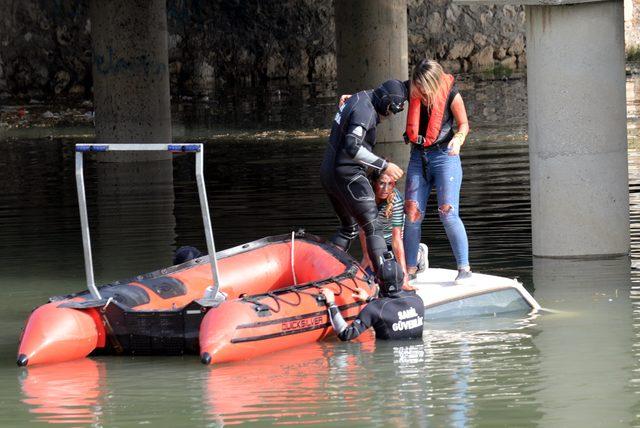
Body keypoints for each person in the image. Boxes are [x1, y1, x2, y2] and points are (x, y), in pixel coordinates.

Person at [320, 79, 407, 277]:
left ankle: (322, 276)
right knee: (374, 228)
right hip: (346, 174)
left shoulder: (358, 98)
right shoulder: (365, 110)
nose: (390, 116)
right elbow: (352, 147)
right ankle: (388, 286)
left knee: (348, 228)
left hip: (328, 172)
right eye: (391, 111)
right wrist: (385, 165)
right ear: (385, 105)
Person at [402, 59, 471, 284]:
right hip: (418, 157)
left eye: (424, 87)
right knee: (411, 215)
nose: (419, 91)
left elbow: (463, 125)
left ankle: (463, 268)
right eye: (417, 86)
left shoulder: (452, 95)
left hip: (445, 157)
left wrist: (459, 140)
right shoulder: (411, 88)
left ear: (434, 83)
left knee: (447, 213)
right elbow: (382, 93)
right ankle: (410, 268)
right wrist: (353, 98)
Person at [321, 259, 424, 341]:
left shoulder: (375, 308)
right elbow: (391, 310)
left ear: (378, 282)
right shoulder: (418, 300)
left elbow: (346, 334)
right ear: (402, 279)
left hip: (387, 363)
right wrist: (369, 299)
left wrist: (331, 303)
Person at [358, 170, 407, 282]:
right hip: (375, 243)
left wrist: (404, 274)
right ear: (374, 182)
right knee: (369, 278)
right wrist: (366, 256)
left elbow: (397, 238)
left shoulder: (397, 200)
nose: (386, 189)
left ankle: (417, 255)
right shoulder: (365, 197)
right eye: (381, 183)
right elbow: (362, 230)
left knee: (393, 276)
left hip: (393, 243)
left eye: (390, 184)